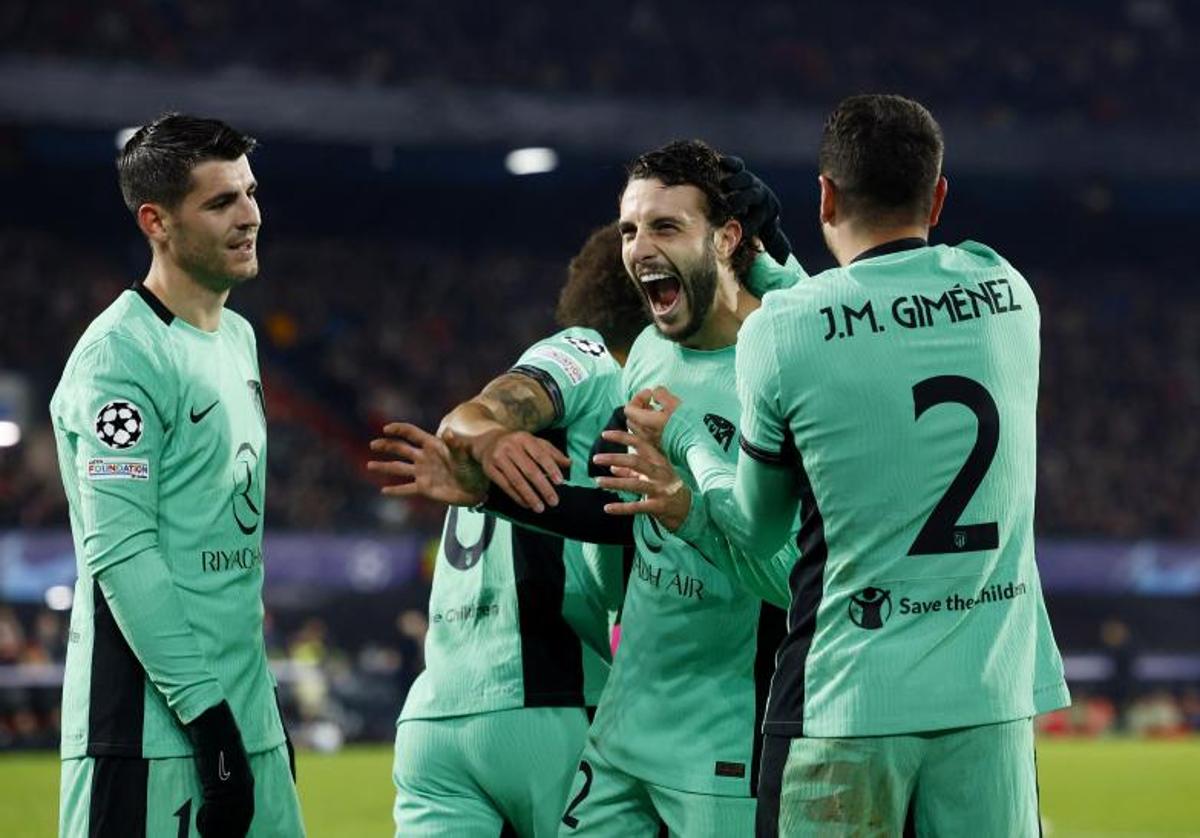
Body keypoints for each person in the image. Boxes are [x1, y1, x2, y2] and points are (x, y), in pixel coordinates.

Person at [605, 95, 1071, 836]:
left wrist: (690, 435)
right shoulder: (1006, 291)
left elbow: (756, 532)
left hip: (846, 697)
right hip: (992, 701)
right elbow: (873, 310)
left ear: (826, 194)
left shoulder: (783, 332)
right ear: (939, 195)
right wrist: (777, 265)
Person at [50, 114, 303, 838]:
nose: (250, 214)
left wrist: (257, 723)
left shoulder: (239, 337)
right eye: (221, 201)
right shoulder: (118, 357)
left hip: (245, 719)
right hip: (150, 738)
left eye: (250, 192)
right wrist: (210, 723)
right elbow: (122, 553)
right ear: (156, 221)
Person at [367, 223, 646, 837]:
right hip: (551, 702)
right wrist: (489, 429)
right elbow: (489, 406)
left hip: (436, 718)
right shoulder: (590, 354)